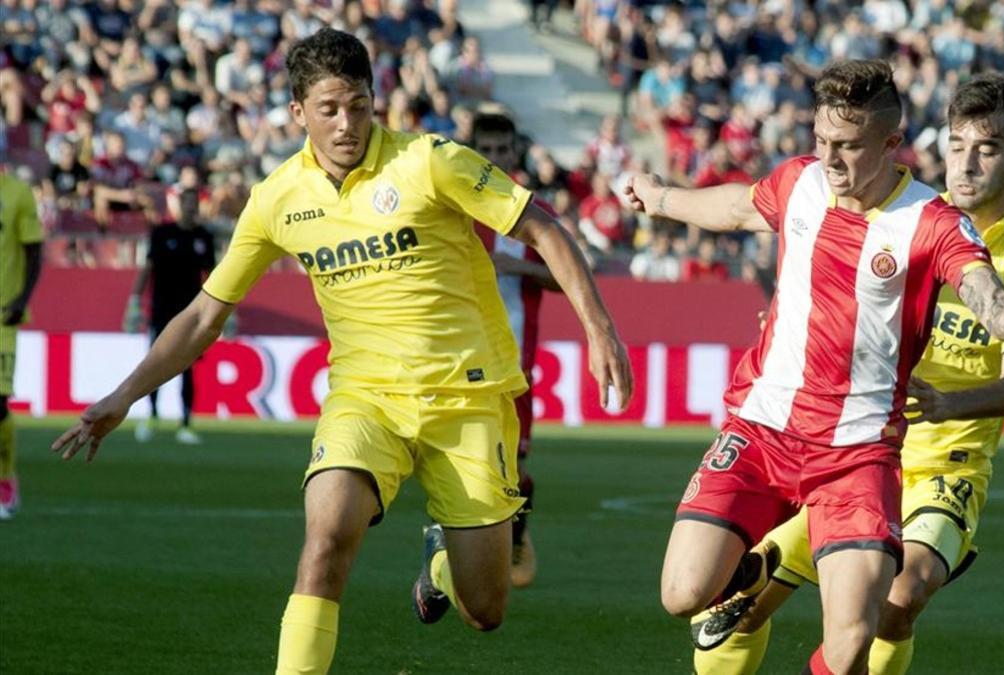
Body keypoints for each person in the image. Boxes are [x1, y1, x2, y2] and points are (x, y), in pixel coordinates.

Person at [52, 28, 632, 675]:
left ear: (374, 100)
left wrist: (599, 329)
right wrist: (123, 394)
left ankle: (443, 558)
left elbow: (542, 225)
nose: (346, 123)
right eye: (328, 109)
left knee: (485, 608)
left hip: (466, 397)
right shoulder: (277, 198)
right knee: (326, 534)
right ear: (298, 112)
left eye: (358, 104)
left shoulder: (430, 161)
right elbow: (204, 314)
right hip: (366, 400)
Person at [625, 59, 1004, 675]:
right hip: (782, 431)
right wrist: (661, 197)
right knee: (700, 601)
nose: (967, 163)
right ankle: (752, 572)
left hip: (906, 457)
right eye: (957, 146)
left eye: (986, 150)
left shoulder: (959, 235)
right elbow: (744, 210)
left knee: (887, 609)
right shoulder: (815, 187)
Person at [469, 111, 563, 588]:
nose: (495, 158)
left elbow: (564, 278)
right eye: (486, 149)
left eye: (503, 150)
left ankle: (517, 526)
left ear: (514, 153)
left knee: (514, 464)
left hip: (514, 360)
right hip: (459, 355)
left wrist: (515, 266)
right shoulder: (455, 207)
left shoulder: (534, 212)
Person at [126, 188, 216, 445]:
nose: (190, 208)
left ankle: (186, 422)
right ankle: (152, 415)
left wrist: (225, 309)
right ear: (178, 206)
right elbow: (148, 268)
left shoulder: (203, 237)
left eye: (193, 203)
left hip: (191, 313)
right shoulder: (162, 233)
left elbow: (214, 276)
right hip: (162, 310)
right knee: (156, 362)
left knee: (187, 367)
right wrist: (134, 302)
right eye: (186, 203)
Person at [0, 172, 44, 521]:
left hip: (3, 316)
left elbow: (34, 251)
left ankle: (5, 478)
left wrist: (22, 299)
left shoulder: (17, 194)